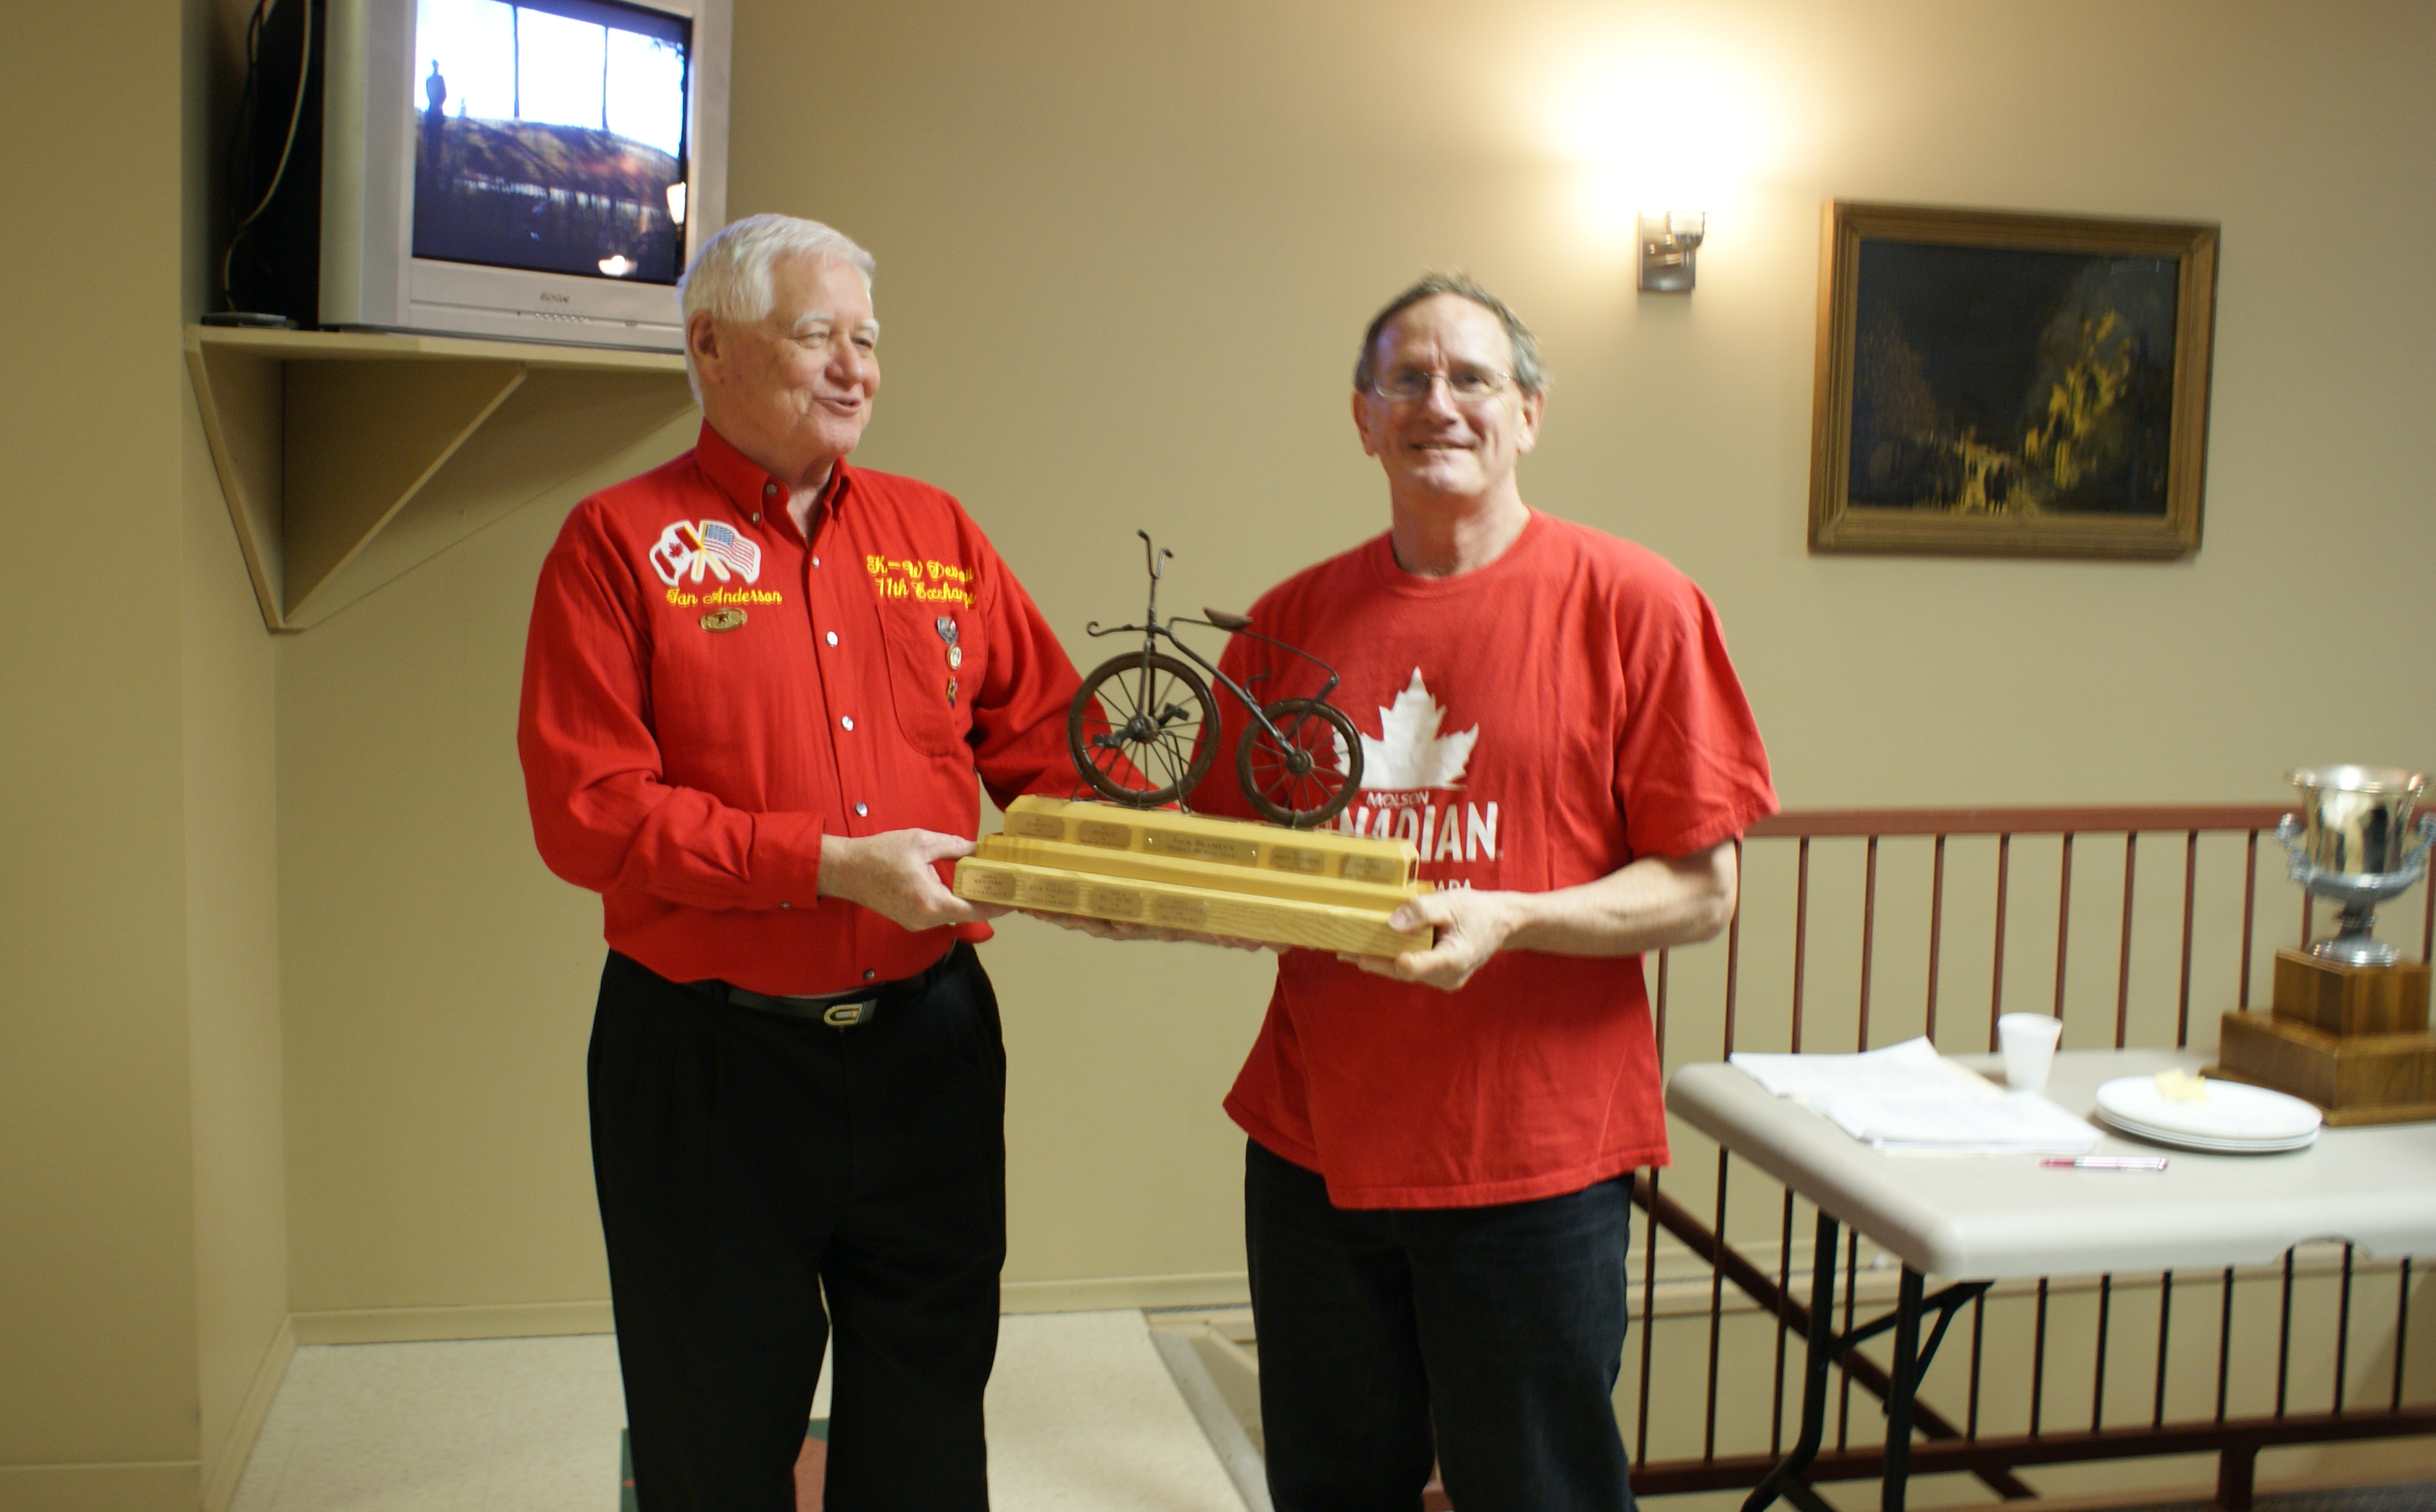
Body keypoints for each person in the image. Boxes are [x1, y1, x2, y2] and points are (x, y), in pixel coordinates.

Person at [517, 214, 1092, 1512]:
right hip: (709, 1064)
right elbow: (588, 812)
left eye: (868, 341)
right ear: (710, 346)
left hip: (930, 1047)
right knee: (713, 1440)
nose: (854, 369)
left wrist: (1139, 851)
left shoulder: (936, 533)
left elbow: (1056, 746)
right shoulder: (617, 543)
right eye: (817, 335)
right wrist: (828, 864)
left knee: (928, 1426)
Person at [1188, 274, 1777, 1512]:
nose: (1438, 403)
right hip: (1315, 1153)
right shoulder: (1291, 621)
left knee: (1538, 1493)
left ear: (1529, 413)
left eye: (1472, 378)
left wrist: (1515, 918)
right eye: (1406, 379)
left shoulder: (1637, 605)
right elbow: (1225, 860)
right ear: (1363, 417)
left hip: (1536, 1165)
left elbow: (1702, 891)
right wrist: (1127, 892)